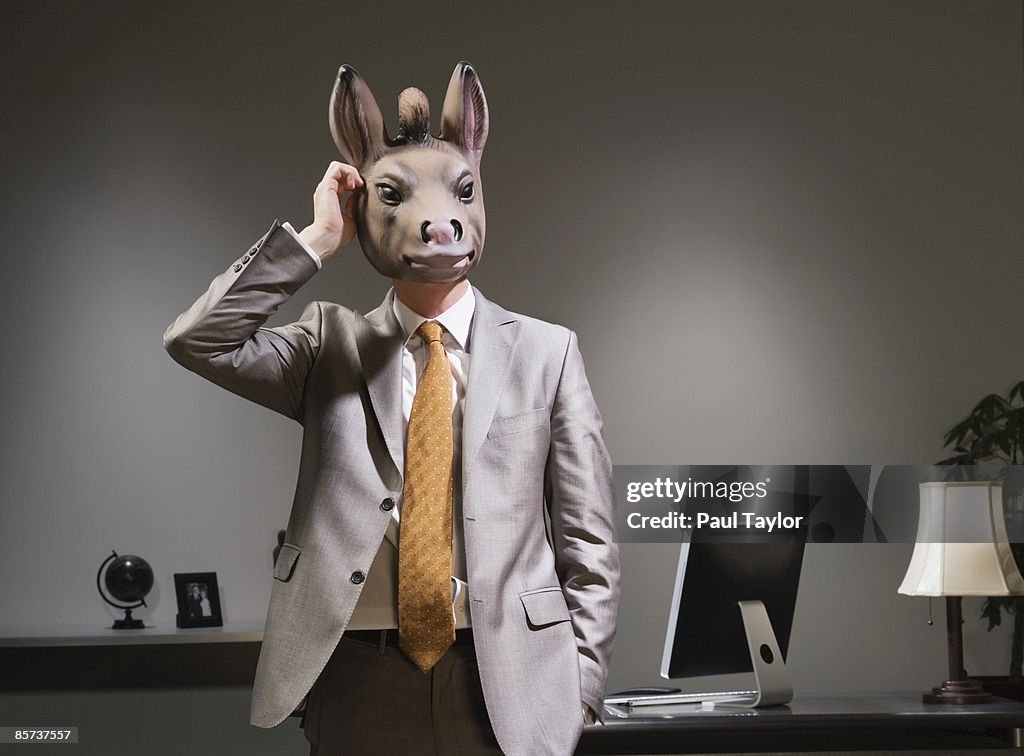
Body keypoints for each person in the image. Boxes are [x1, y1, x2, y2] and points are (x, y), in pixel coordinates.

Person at [164, 62, 619, 755]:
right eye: (394, 195)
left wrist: (581, 690)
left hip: (511, 681)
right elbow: (199, 341)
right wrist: (313, 241)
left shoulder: (547, 354)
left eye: (461, 192)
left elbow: (588, 540)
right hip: (357, 676)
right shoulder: (327, 345)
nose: (438, 221)